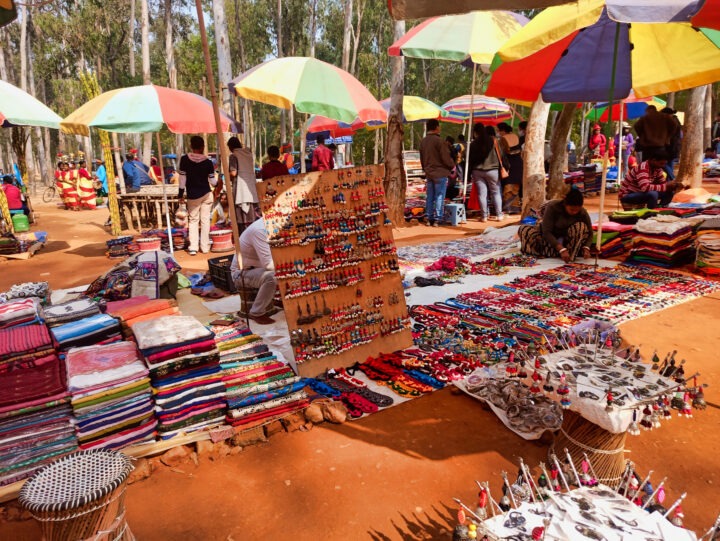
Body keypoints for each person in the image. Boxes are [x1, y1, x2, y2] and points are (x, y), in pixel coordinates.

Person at [519, 189, 592, 263]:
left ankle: (570, 255)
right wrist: (561, 249)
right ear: (565, 204)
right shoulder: (553, 207)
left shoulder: (582, 213)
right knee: (524, 229)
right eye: (572, 209)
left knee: (581, 227)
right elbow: (546, 232)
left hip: (567, 245)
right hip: (549, 242)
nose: (574, 212)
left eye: (577, 210)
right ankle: (537, 254)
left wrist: (586, 247)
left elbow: (590, 233)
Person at [230, 217, 278, 325]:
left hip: (258, 269)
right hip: (241, 273)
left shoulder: (270, 227)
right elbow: (269, 265)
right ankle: (257, 312)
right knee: (272, 276)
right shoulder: (260, 230)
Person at [178, 136, 218, 255]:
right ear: (202, 147)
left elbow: (182, 179)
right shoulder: (208, 162)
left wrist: (180, 194)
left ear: (191, 146)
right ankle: (205, 247)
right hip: (206, 194)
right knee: (205, 220)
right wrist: (218, 183)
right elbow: (212, 182)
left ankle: (193, 247)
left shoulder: (185, 160)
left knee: (193, 220)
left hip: (192, 195)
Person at [619, 150, 687, 209]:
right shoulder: (643, 168)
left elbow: (662, 183)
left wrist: (671, 186)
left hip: (640, 193)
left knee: (669, 192)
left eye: (664, 164)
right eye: (661, 163)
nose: (663, 166)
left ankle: (660, 209)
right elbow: (645, 187)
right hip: (627, 195)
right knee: (653, 194)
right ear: (654, 160)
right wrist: (666, 186)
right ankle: (651, 214)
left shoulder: (658, 169)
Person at [419, 118, 455, 227]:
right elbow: (445, 158)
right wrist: (452, 165)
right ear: (436, 128)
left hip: (429, 172)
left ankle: (429, 218)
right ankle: (438, 219)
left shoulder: (423, 141)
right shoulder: (440, 141)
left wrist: (425, 169)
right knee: (439, 196)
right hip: (440, 173)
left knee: (430, 196)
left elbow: (422, 158)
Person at [468, 122, 504, 223]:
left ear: (475, 132)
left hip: (477, 171)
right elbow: (501, 155)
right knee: (496, 192)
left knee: (481, 194)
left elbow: (470, 160)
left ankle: (484, 216)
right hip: (493, 171)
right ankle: (499, 215)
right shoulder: (494, 141)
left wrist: (468, 174)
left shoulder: (473, 144)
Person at [227, 136, 259, 234]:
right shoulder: (248, 154)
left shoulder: (233, 156)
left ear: (231, 147)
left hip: (240, 189)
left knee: (241, 216)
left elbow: (233, 173)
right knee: (253, 215)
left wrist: (226, 173)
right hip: (251, 187)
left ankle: (244, 237)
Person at [497, 122, 522, 214]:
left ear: (502, 131)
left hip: (509, 165)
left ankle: (508, 208)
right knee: (515, 187)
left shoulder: (502, 139)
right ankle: (515, 207)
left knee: (508, 187)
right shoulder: (516, 136)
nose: (498, 132)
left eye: (498, 131)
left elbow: (501, 154)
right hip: (519, 164)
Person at [661, 107, 683, 180]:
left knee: (663, 163)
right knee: (670, 163)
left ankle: (673, 178)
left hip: (670, 147)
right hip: (674, 146)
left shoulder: (671, 122)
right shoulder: (675, 120)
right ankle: (669, 181)